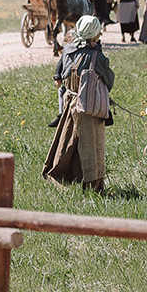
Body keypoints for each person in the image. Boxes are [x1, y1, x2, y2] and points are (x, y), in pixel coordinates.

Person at [43, 16, 114, 191]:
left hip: (70, 102)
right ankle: (93, 186)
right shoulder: (97, 57)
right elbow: (109, 80)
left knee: (67, 140)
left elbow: (62, 72)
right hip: (88, 106)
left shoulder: (68, 50)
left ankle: (61, 174)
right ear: (95, 33)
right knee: (91, 145)